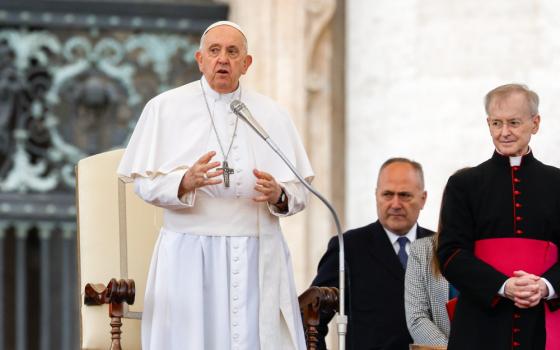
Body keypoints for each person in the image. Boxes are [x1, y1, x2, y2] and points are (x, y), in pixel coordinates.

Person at [117, 21, 313, 350]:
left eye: (233, 52)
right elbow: (142, 185)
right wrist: (183, 182)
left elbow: (300, 191)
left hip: (256, 253)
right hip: (189, 254)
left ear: (246, 63)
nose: (223, 59)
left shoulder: (273, 114)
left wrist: (279, 194)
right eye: (214, 51)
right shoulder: (165, 108)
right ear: (200, 59)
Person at [437, 83, 560, 350]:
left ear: (535, 123)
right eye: (496, 123)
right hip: (481, 322)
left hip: (544, 320)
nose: (504, 132)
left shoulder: (557, 183)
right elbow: (451, 254)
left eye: (514, 122)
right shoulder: (464, 184)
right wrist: (503, 285)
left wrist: (546, 286)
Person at [312, 158, 434, 350]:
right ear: (376, 195)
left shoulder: (440, 248)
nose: (395, 204)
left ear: (423, 199)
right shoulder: (347, 247)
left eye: (405, 195)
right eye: (387, 194)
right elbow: (312, 318)